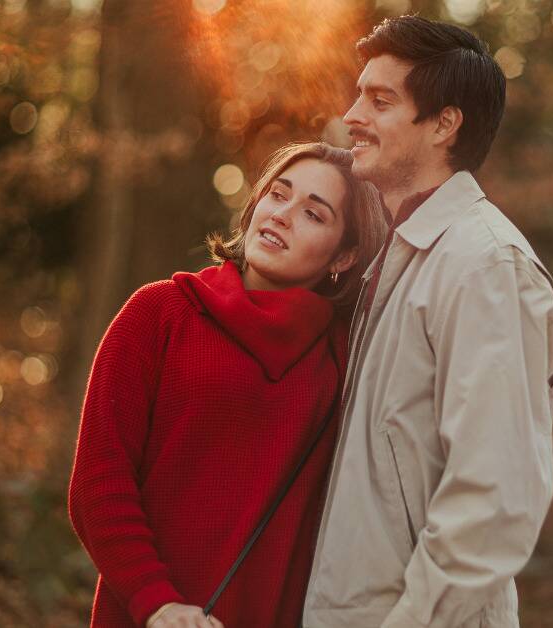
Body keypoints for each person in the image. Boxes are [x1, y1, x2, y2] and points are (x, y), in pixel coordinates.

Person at [303, 15, 553, 628]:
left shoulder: (485, 266)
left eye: (380, 100)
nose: (351, 115)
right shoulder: (397, 260)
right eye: (357, 94)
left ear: (445, 123)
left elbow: (493, 503)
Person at [68, 142, 387, 628]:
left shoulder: (348, 359)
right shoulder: (158, 313)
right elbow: (98, 483)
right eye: (277, 195)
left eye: (313, 215)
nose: (282, 215)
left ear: (344, 255)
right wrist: (158, 603)